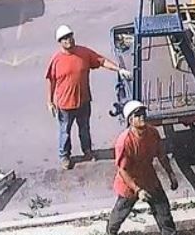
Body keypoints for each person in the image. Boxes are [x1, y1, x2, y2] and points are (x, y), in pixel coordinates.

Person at [108, 101, 193, 235]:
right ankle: (111, 231)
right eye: (137, 115)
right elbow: (123, 170)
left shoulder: (153, 133)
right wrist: (137, 190)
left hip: (149, 178)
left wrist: (171, 174)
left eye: (143, 114)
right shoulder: (124, 142)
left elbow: (161, 155)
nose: (142, 117)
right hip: (129, 183)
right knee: (122, 210)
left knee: (163, 209)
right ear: (130, 120)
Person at [44, 24, 132, 169]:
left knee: (84, 128)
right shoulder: (56, 60)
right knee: (65, 132)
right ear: (60, 41)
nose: (68, 40)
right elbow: (51, 81)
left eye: (70, 36)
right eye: (64, 38)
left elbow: (101, 61)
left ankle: (87, 151)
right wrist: (50, 102)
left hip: (84, 101)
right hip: (65, 105)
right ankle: (64, 156)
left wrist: (119, 69)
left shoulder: (83, 53)